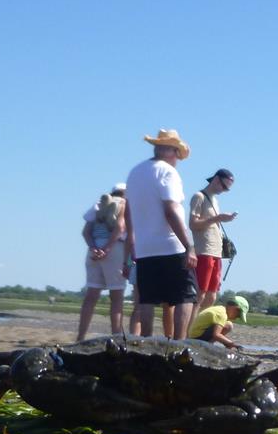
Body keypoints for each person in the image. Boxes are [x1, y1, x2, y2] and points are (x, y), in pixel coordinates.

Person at [124, 128, 200, 339]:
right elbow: (171, 210)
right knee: (184, 295)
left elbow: (128, 212)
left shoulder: (135, 172)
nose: (178, 159)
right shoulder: (168, 172)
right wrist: (188, 245)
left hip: (145, 248)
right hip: (170, 244)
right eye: (177, 154)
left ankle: (146, 342)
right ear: (170, 151)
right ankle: (179, 343)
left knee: (147, 299)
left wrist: (132, 242)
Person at [77, 184, 129, 341]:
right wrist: (107, 249)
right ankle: (116, 337)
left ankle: (80, 337)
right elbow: (120, 228)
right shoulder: (124, 204)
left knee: (91, 296)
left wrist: (94, 248)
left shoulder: (98, 205)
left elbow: (85, 232)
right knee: (117, 297)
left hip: (93, 250)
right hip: (115, 249)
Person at [187, 168, 237, 312]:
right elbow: (193, 224)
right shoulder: (199, 197)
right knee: (200, 294)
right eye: (224, 186)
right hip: (203, 251)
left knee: (211, 296)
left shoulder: (215, 200)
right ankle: (189, 331)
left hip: (216, 252)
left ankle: (198, 328)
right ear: (216, 179)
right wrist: (218, 218)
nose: (224, 190)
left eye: (227, 189)